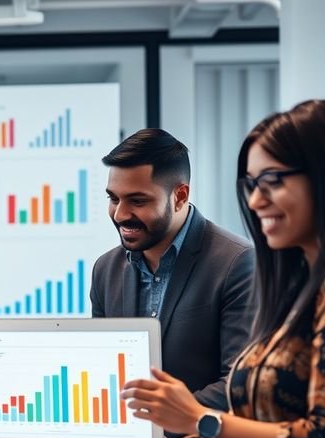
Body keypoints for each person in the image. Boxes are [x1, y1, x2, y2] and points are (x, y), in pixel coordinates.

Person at [8, 99, 325, 438]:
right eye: (250, 185)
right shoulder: (295, 284)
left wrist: (197, 418)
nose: (257, 201)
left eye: (273, 181)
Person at [91, 128, 254, 419]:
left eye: (137, 201)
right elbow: (105, 374)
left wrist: (159, 427)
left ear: (179, 196)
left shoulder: (237, 263)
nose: (119, 214)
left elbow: (237, 384)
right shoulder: (105, 271)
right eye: (113, 198)